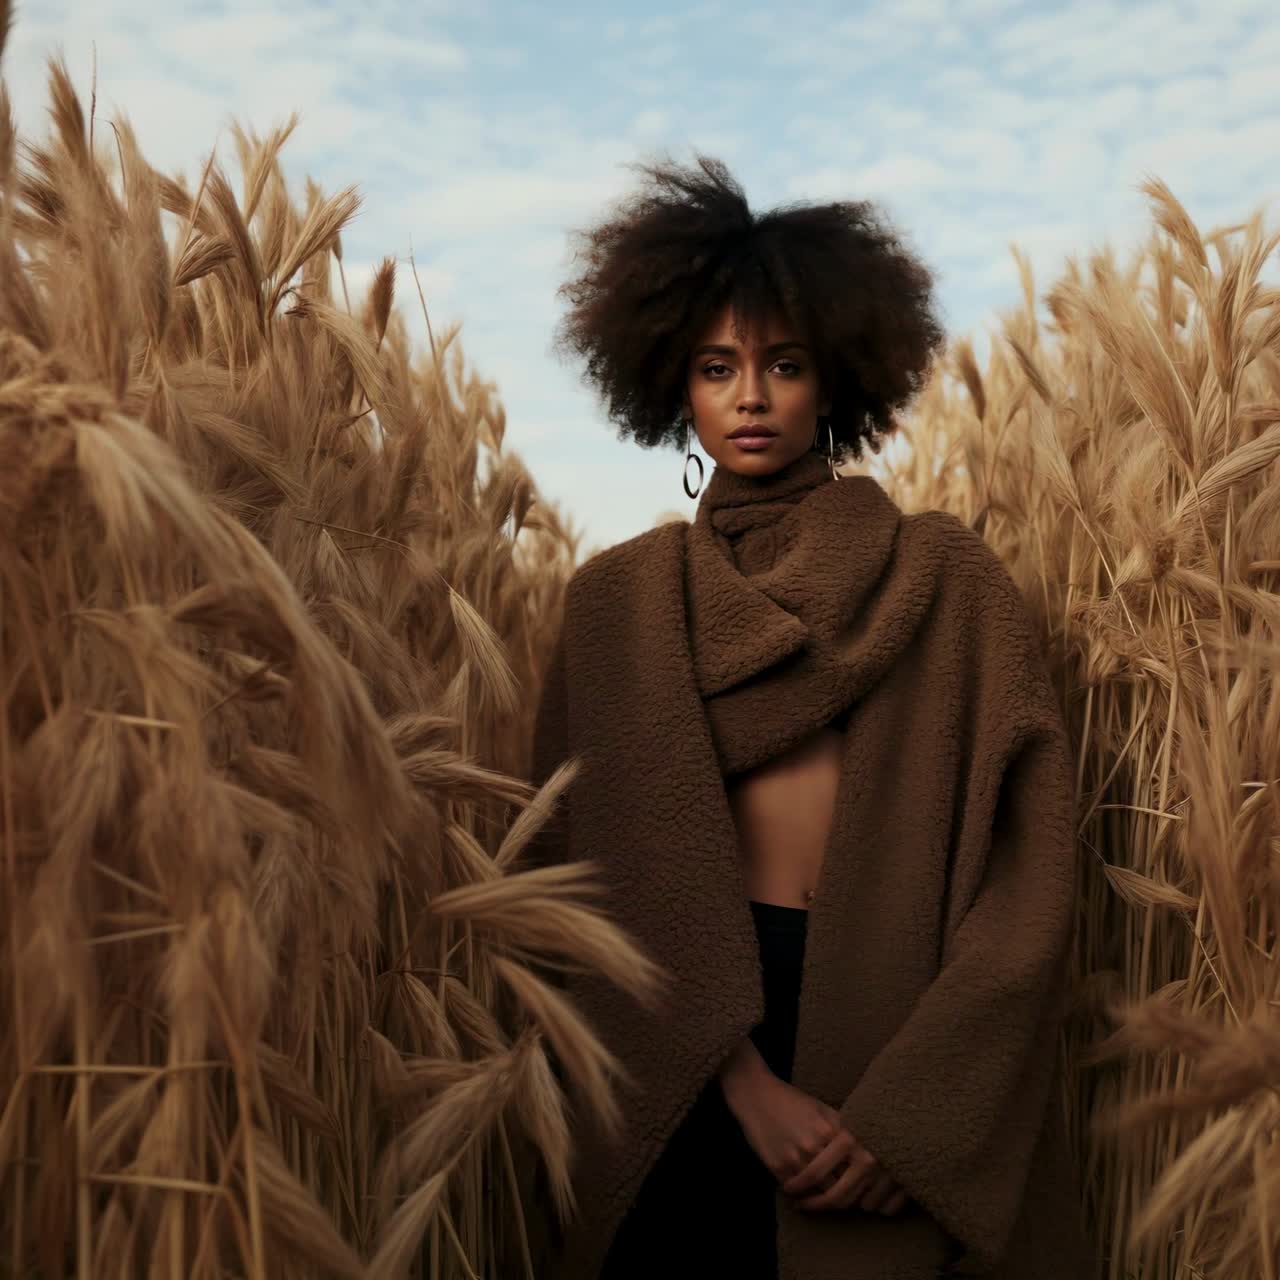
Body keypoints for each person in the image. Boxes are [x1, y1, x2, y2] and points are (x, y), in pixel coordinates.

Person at [521, 152, 1091, 1280]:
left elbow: (1027, 878)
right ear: (669, 385)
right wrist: (737, 1082)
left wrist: (914, 1113)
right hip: (682, 1054)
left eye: (781, 364)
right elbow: (580, 882)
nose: (748, 395)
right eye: (715, 366)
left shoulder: (944, 579)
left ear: (831, 377)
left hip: (897, 1026)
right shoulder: (620, 604)